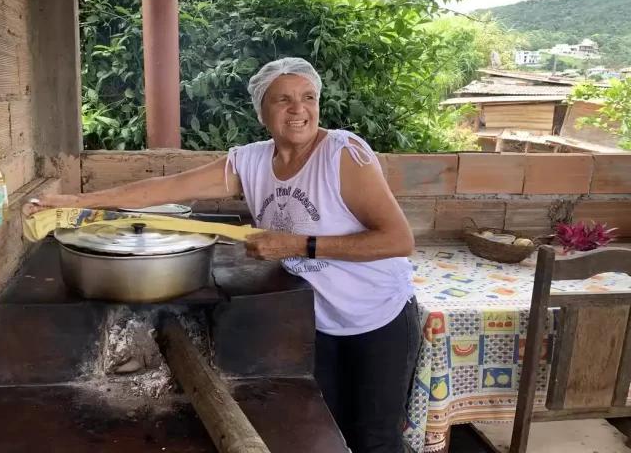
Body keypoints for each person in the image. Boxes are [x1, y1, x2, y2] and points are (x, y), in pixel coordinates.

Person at [25, 58, 420, 453]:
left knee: (375, 439)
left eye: (308, 97)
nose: (298, 109)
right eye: (283, 99)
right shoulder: (250, 161)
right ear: (261, 110)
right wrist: (75, 202)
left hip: (377, 319)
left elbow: (398, 240)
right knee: (326, 431)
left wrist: (299, 245)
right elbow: (165, 189)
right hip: (315, 321)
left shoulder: (342, 154)